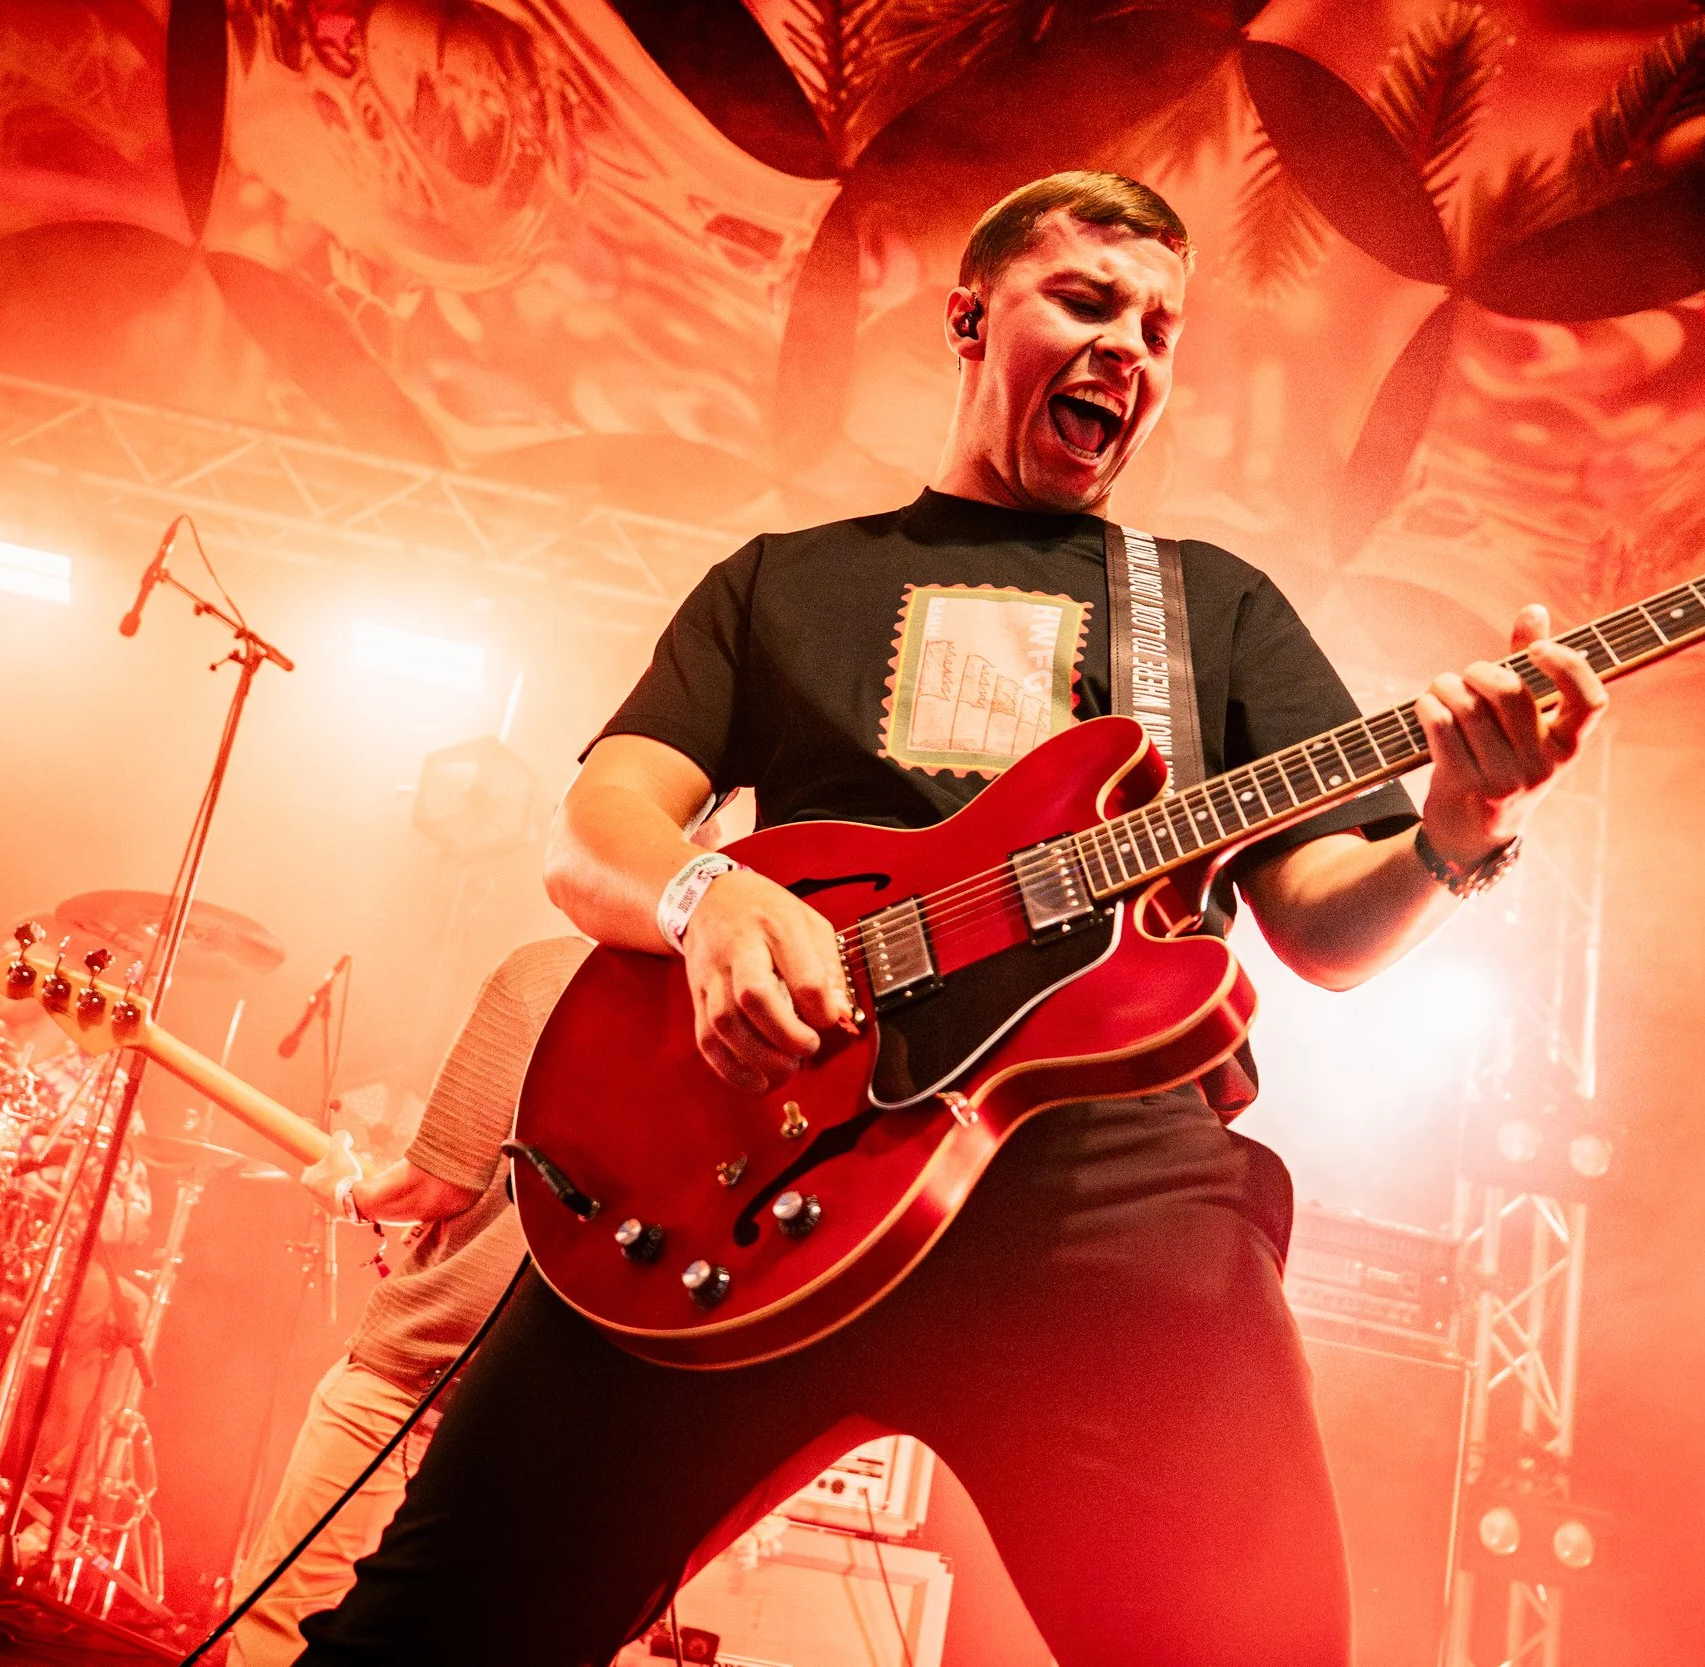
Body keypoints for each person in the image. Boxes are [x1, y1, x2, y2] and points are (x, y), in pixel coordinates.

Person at [296, 171, 1606, 1666]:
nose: (1133, 350)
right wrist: (708, 892)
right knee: (425, 1636)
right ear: (972, 316)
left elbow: (1319, 925)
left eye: (1164, 329)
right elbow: (596, 828)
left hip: (1101, 1191)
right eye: (1091, 303)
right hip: (756, 1158)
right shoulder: (784, 583)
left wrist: (1461, 824)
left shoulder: (1212, 609)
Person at [225, 936, 589, 1667]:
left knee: (287, 1613)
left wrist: (351, 1192)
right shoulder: (757, 995)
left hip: (423, 1369)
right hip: (576, 1408)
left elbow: (438, 1184)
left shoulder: (549, 973)